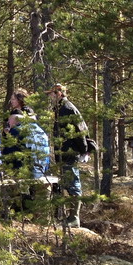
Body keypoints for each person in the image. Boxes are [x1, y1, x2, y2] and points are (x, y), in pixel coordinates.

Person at [47, 83, 88, 227]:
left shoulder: (68, 108)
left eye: (52, 94)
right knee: (66, 184)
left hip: (70, 152)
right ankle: (67, 216)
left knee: (73, 184)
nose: (50, 97)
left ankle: (74, 218)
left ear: (59, 93)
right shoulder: (60, 109)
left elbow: (80, 130)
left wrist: (84, 150)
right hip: (63, 152)